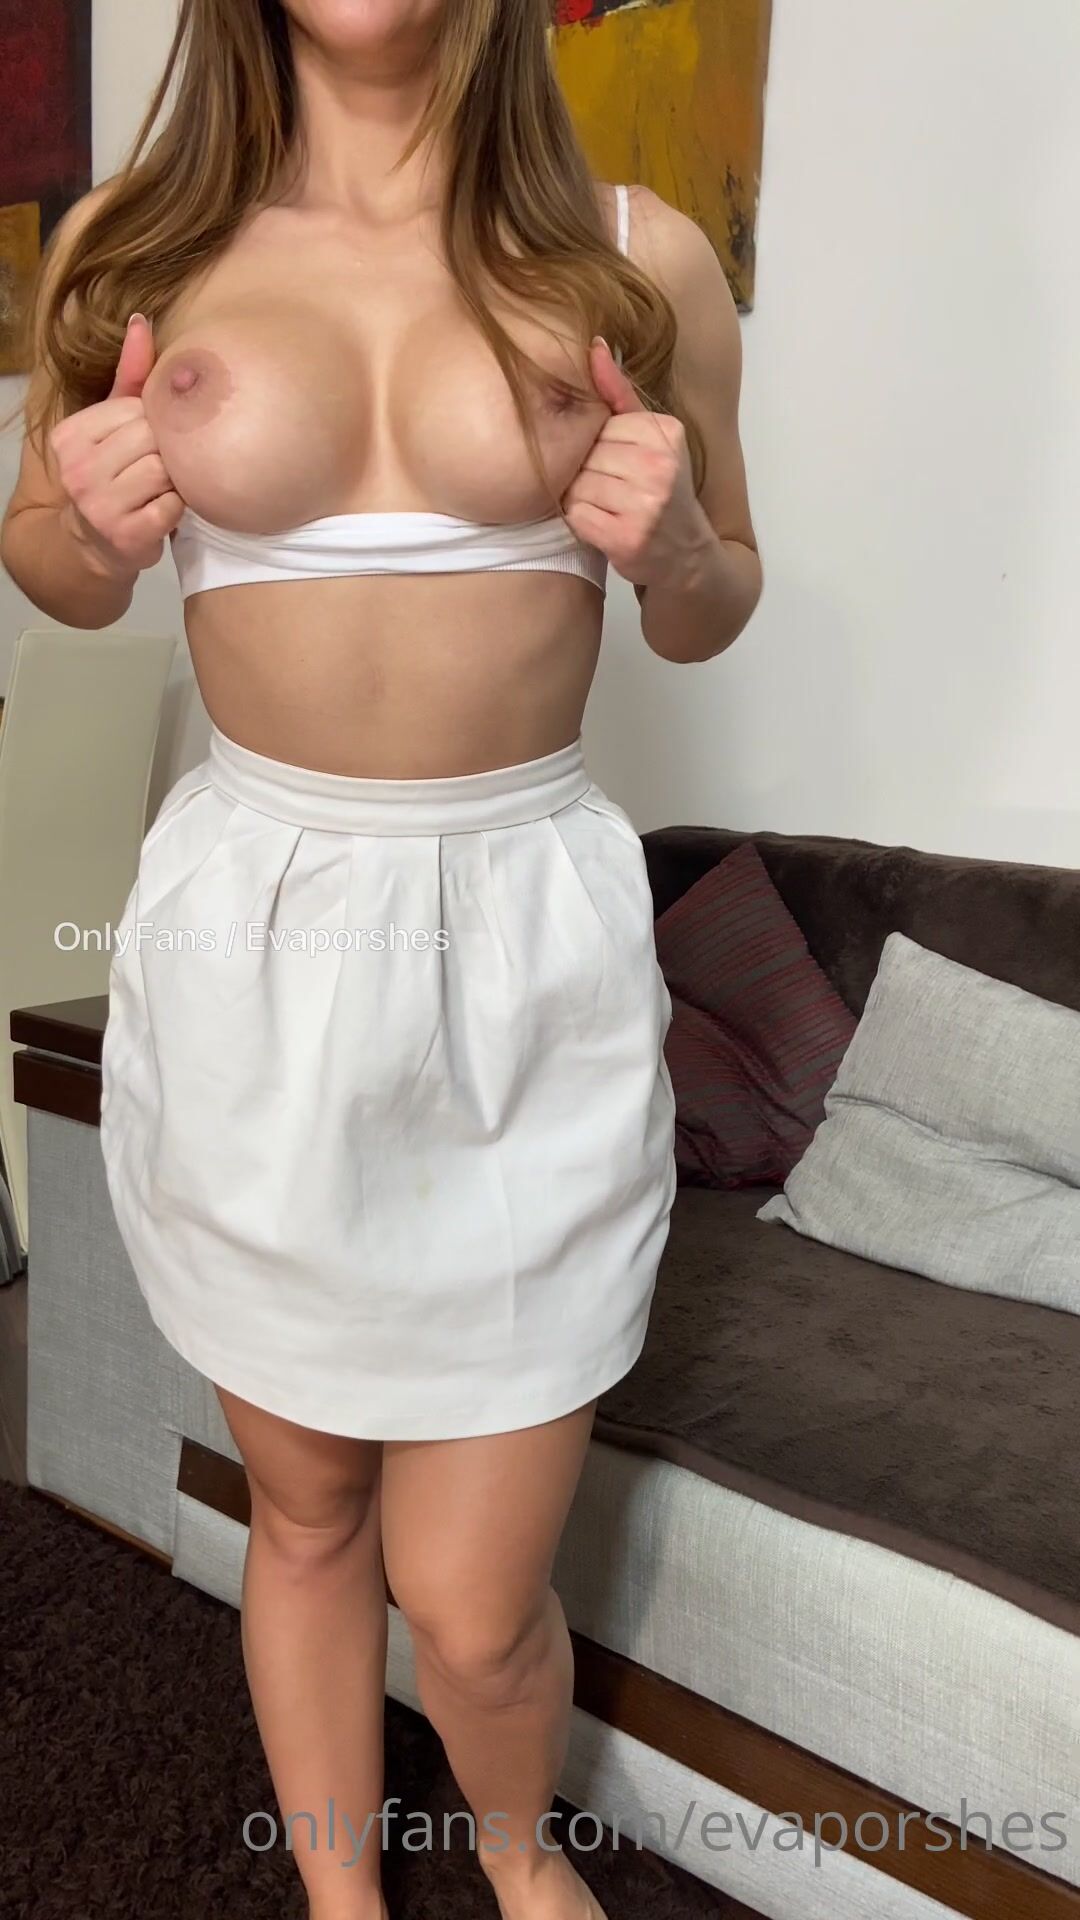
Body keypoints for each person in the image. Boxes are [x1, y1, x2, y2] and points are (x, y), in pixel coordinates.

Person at [0, 3, 761, 1915]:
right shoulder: (130, 243)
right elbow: (53, 561)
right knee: (312, 1507)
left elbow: (714, 600)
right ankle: (342, 1896)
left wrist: (678, 549)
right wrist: (81, 530)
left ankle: (518, 1857)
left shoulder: (634, 251)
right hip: (261, 940)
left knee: (479, 1597)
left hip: (526, 950)